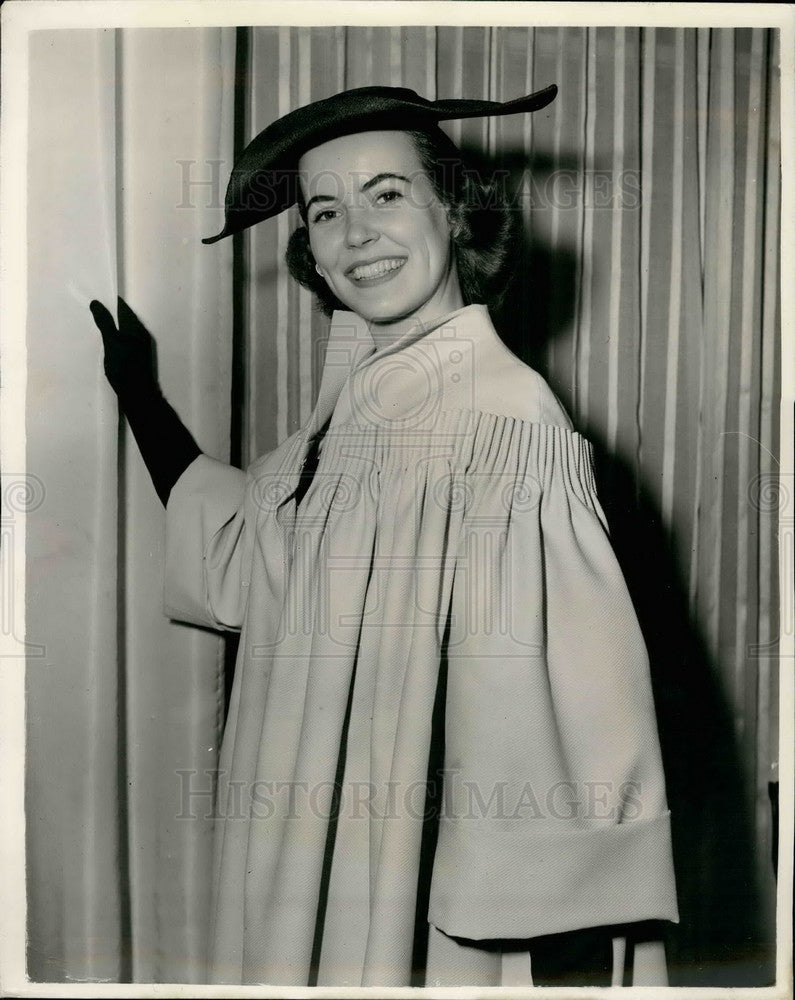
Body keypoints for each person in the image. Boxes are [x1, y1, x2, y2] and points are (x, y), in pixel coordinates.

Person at [90, 85, 679, 987]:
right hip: (298, 846)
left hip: (410, 881)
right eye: (326, 211)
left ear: (456, 212)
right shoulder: (356, 407)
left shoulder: (502, 417)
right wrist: (140, 396)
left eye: (387, 194)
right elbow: (243, 558)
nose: (356, 232)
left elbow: (570, 711)